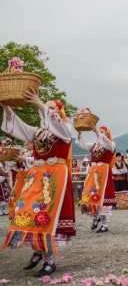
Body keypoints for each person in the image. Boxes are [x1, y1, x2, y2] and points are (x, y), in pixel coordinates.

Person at [1, 93, 75, 276]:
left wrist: (38, 103)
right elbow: (19, 128)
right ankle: (38, 250)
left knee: (43, 214)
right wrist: (7, 107)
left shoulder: (65, 129)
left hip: (54, 175)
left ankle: (48, 260)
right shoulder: (38, 132)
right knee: (25, 210)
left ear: (57, 113)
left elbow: (57, 123)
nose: (45, 110)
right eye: (45, 107)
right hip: (36, 174)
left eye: (50, 108)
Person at [77, 125, 117, 233]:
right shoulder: (95, 145)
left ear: (107, 134)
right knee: (89, 195)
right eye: (100, 132)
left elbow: (107, 143)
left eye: (103, 132)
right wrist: (80, 135)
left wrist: (96, 132)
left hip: (103, 172)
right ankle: (95, 217)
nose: (101, 134)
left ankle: (104, 224)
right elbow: (84, 145)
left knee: (103, 199)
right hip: (93, 172)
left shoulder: (111, 145)